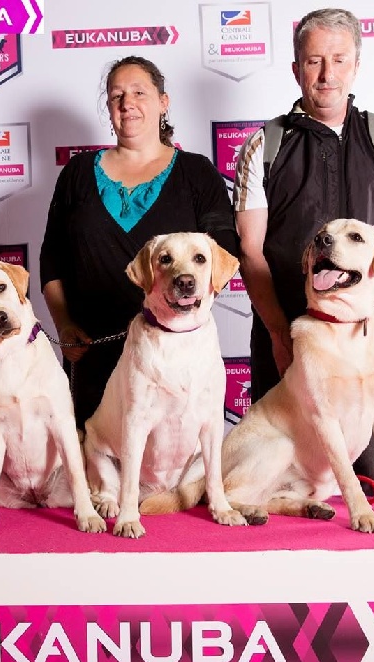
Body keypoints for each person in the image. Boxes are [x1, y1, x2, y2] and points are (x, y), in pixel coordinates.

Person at [233, 8, 374, 495]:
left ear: (356, 64)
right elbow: (250, 251)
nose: (326, 74)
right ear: (297, 67)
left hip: (365, 343)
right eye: (314, 60)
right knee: (278, 485)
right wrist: (280, 335)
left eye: (339, 59)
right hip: (289, 343)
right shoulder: (265, 144)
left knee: (369, 496)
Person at [40, 55, 238, 429]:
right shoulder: (77, 174)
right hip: (94, 353)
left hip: (172, 357)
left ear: (163, 102)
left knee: (175, 475)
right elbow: (53, 260)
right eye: (116, 96)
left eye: (139, 93)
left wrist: (174, 321)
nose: (127, 103)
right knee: (100, 476)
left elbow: (222, 257)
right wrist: (64, 324)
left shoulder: (197, 174)